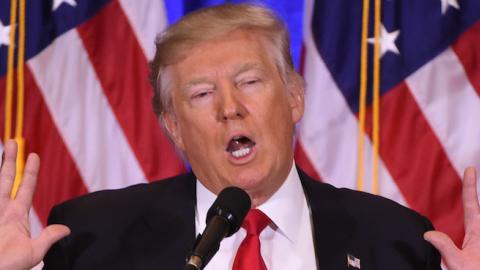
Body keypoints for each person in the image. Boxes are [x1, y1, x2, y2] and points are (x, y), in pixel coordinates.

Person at [0, 3, 479, 270]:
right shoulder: (90, 241)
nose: (231, 108)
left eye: (250, 82)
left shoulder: (396, 243)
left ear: (294, 98)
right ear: (173, 128)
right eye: (203, 93)